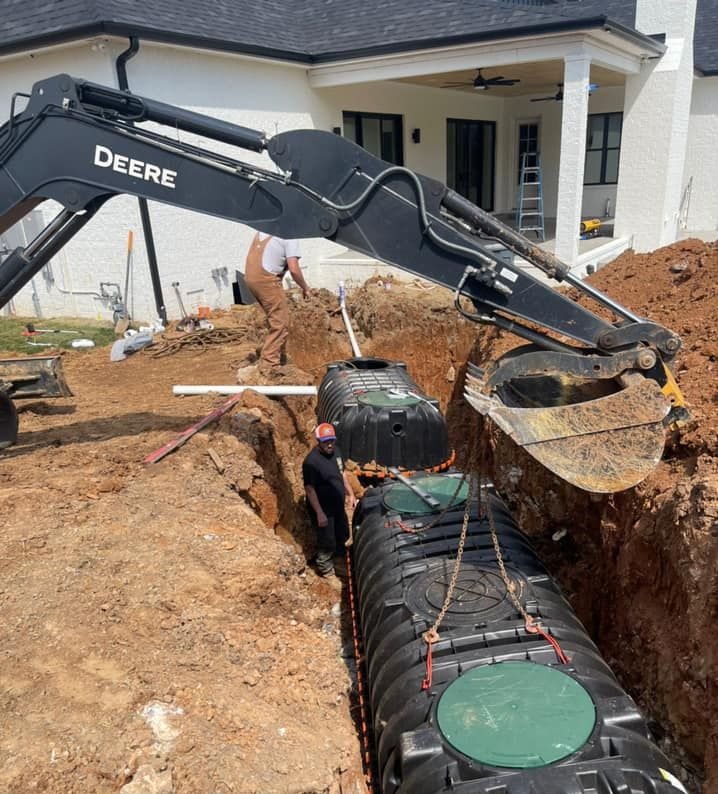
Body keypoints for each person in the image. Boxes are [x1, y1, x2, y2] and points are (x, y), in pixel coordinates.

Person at [239, 231, 311, 380]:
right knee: (281, 322)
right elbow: (294, 269)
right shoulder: (290, 235)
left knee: (274, 318)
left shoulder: (266, 228)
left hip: (251, 278)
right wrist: (305, 287)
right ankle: (269, 365)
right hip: (266, 280)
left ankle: (273, 354)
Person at [302, 422, 356, 586]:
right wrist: (319, 513)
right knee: (327, 540)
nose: (330, 444)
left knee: (342, 533)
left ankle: (338, 562)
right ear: (318, 441)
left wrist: (351, 494)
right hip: (323, 509)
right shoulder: (311, 462)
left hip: (337, 504)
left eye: (332, 440)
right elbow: (310, 489)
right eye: (326, 441)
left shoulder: (336, 452)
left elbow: (342, 474)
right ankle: (326, 570)